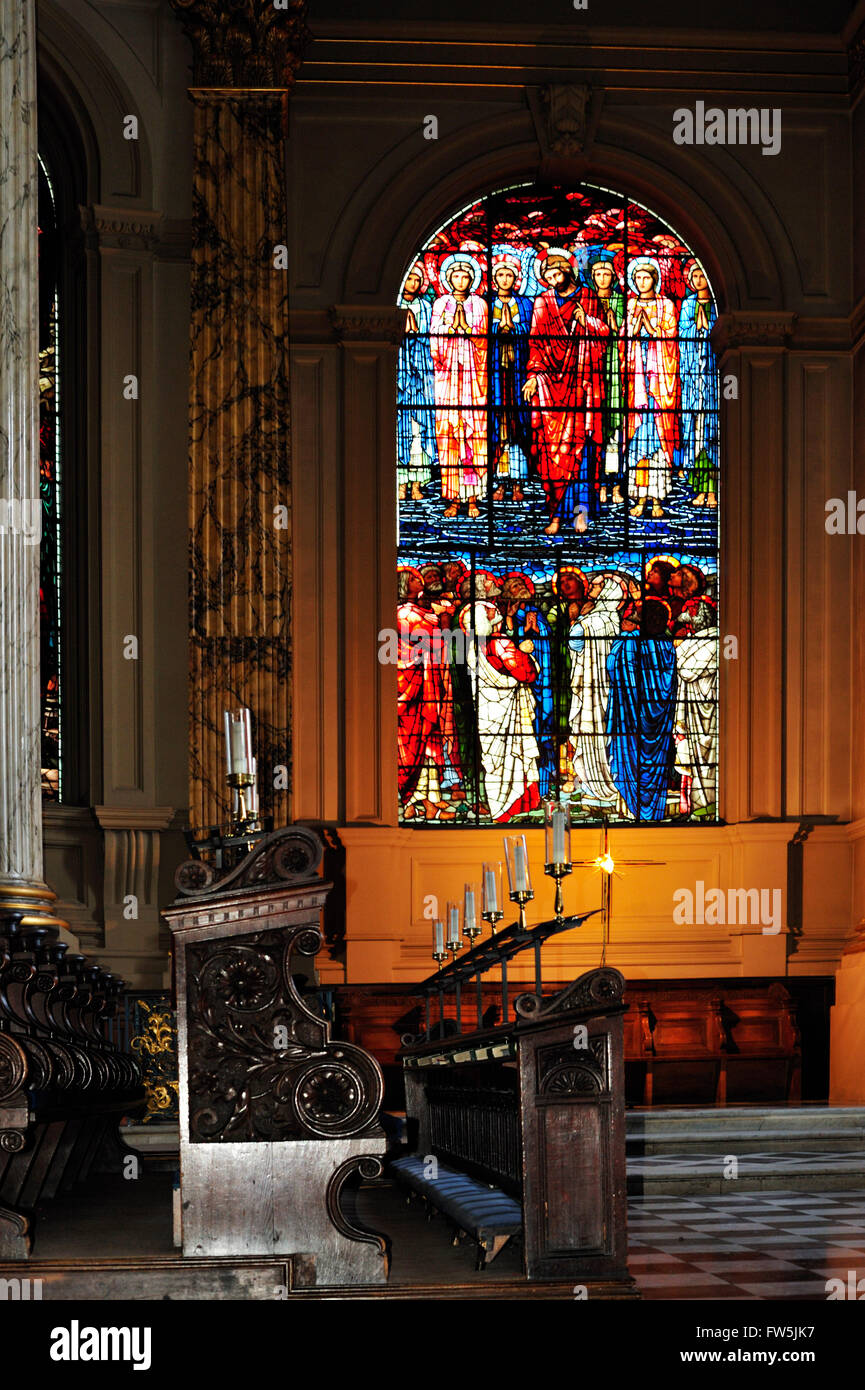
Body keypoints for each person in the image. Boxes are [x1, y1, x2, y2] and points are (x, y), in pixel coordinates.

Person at [522, 248, 609, 535]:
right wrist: (533, 375)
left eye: (556, 273)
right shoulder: (542, 301)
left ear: (567, 271)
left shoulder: (587, 297)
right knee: (552, 454)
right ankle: (556, 514)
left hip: (582, 379)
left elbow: (606, 333)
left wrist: (588, 322)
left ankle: (580, 512)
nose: (552, 279)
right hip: (549, 381)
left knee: (581, 447)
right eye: (547, 276)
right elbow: (535, 341)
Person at [461, 600, 541, 821]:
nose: (494, 610)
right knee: (513, 755)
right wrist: (526, 653)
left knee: (495, 760)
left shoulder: (473, 646)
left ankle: (499, 804)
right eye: (489, 610)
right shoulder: (498, 642)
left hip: (487, 710)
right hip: (505, 709)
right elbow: (526, 673)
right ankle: (510, 808)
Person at [606, 595, 678, 820]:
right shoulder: (667, 646)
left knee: (630, 755)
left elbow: (611, 668)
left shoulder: (628, 642)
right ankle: (654, 809)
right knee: (655, 761)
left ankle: (630, 809)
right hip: (660, 721)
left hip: (630, 715)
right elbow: (671, 683)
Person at [397, 567, 461, 820]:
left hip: (426, 687)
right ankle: (417, 803)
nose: (419, 581)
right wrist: (442, 616)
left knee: (428, 745)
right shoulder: (403, 613)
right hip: (410, 689)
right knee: (415, 744)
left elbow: (440, 640)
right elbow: (428, 639)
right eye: (414, 579)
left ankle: (427, 801)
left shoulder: (419, 612)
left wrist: (442, 617)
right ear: (403, 585)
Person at [621, 256, 680, 519]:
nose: (641, 282)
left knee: (657, 447)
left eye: (646, 277)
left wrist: (651, 329)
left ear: (654, 279)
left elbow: (670, 336)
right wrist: (635, 328)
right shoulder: (631, 303)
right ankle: (641, 498)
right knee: (637, 446)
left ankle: (657, 500)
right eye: (637, 278)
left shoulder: (665, 304)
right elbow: (623, 338)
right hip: (637, 384)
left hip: (658, 384)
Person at [430, 251, 488, 518]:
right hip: (447, 380)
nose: (461, 279)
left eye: (466, 275)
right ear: (449, 278)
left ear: (473, 279)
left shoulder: (480, 305)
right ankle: (453, 498)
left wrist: (468, 330)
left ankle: (473, 497)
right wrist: (454, 327)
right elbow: (435, 340)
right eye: (456, 275)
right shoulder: (440, 304)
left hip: (474, 380)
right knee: (449, 438)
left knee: (473, 438)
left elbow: (484, 340)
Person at [568, 571, 629, 811]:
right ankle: (602, 784)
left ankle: (596, 787)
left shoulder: (592, 621)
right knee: (604, 734)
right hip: (609, 688)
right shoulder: (613, 618)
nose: (591, 589)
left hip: (594, 687)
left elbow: (575, 641)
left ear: (606, 593)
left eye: (596, 586)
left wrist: (577, 623)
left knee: (592, 732)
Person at [499, 572, 555, 797]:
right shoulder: (505, 615)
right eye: (514, 586)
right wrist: (518, 627)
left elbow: (547, 642)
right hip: (520, 684)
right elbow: (502, 643)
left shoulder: (536, 613)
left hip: (545, 681)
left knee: (545, 730)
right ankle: (524, 787)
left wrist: (538, 631)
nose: (519, 587)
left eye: (521, 584)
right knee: (525, 732)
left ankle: (546, 783)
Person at [489, 253, 534, 503]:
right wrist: (498, 329)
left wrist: (513, 329)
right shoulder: (486, 304)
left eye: (509, 275)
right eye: (501, 275)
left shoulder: (525, 304)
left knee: (517, 427)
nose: (505, 279)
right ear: (494, 278)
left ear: (516, 278)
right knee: (499, 428)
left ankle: (518, 482)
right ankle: (499, 482)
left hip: (518, 374)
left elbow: (530, 334)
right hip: (495, 376)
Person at [586, 248, 626, 506]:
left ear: (613, 276)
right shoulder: (586, 299)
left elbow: (622, 332)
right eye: (598, 273)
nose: (602, 278)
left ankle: (615, 484)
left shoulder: (622, 302)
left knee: (616, 431)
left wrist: (613, 321)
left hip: (618, 368)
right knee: (594, 429)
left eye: (606, 273)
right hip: (592, 369)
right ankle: (598, 484)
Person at [673, 596, 718, 815]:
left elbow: (687, 670)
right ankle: (691, 806)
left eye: (690, 612)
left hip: (706, 713)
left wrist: (680, 649)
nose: (686, 618)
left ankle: (704, 807)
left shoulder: (715, 641)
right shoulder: (697, 639)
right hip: (692, 711)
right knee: (691, 760)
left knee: (705, 761)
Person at [678, 261, 718, 508]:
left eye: (702, 274)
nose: (698, 279)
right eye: (694, 275)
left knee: (712, 434)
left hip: (713, 380)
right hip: (694, 377)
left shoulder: (717, 303)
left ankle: (712, 491)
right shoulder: (687, 305)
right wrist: (696, 327)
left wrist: (710, 327)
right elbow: (682, 335)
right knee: (695, 434)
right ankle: (700, 489)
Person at [397, 262, 437, 501]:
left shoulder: (425, 305)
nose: (413, 283)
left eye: (416, 279)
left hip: (420, 374)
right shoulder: (393, 304)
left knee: (418, 432)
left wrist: (414, 331)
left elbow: (432, 338)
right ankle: (400, 483)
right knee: (399, 430)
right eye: (409, 278)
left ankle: (416, 484)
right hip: (398, 372)